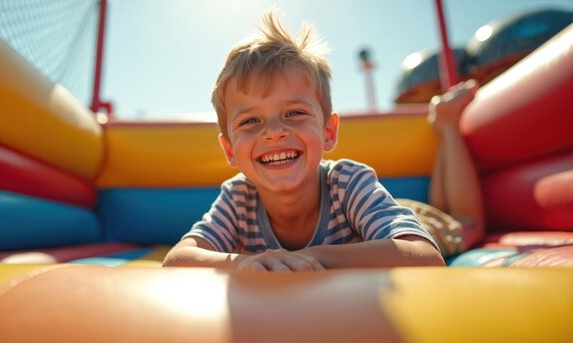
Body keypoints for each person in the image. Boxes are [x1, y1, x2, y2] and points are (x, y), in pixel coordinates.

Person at [163, 10, 445, 271]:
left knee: (460, 224)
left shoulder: (347, 183)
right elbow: (177, 260)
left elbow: (424, 254)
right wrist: (244, 264)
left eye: (294, 113)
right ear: (229, 150)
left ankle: (449, 130)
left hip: (425, 219)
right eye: (250, 121)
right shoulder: (239, 198)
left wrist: (311, 258)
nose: (273, 132)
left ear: (328, 132)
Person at [397, 79, 485, 257]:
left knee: (469, 224)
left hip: (393, 233)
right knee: (440, 213)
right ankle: (445, 124)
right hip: (395, 214)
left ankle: (448, 123)